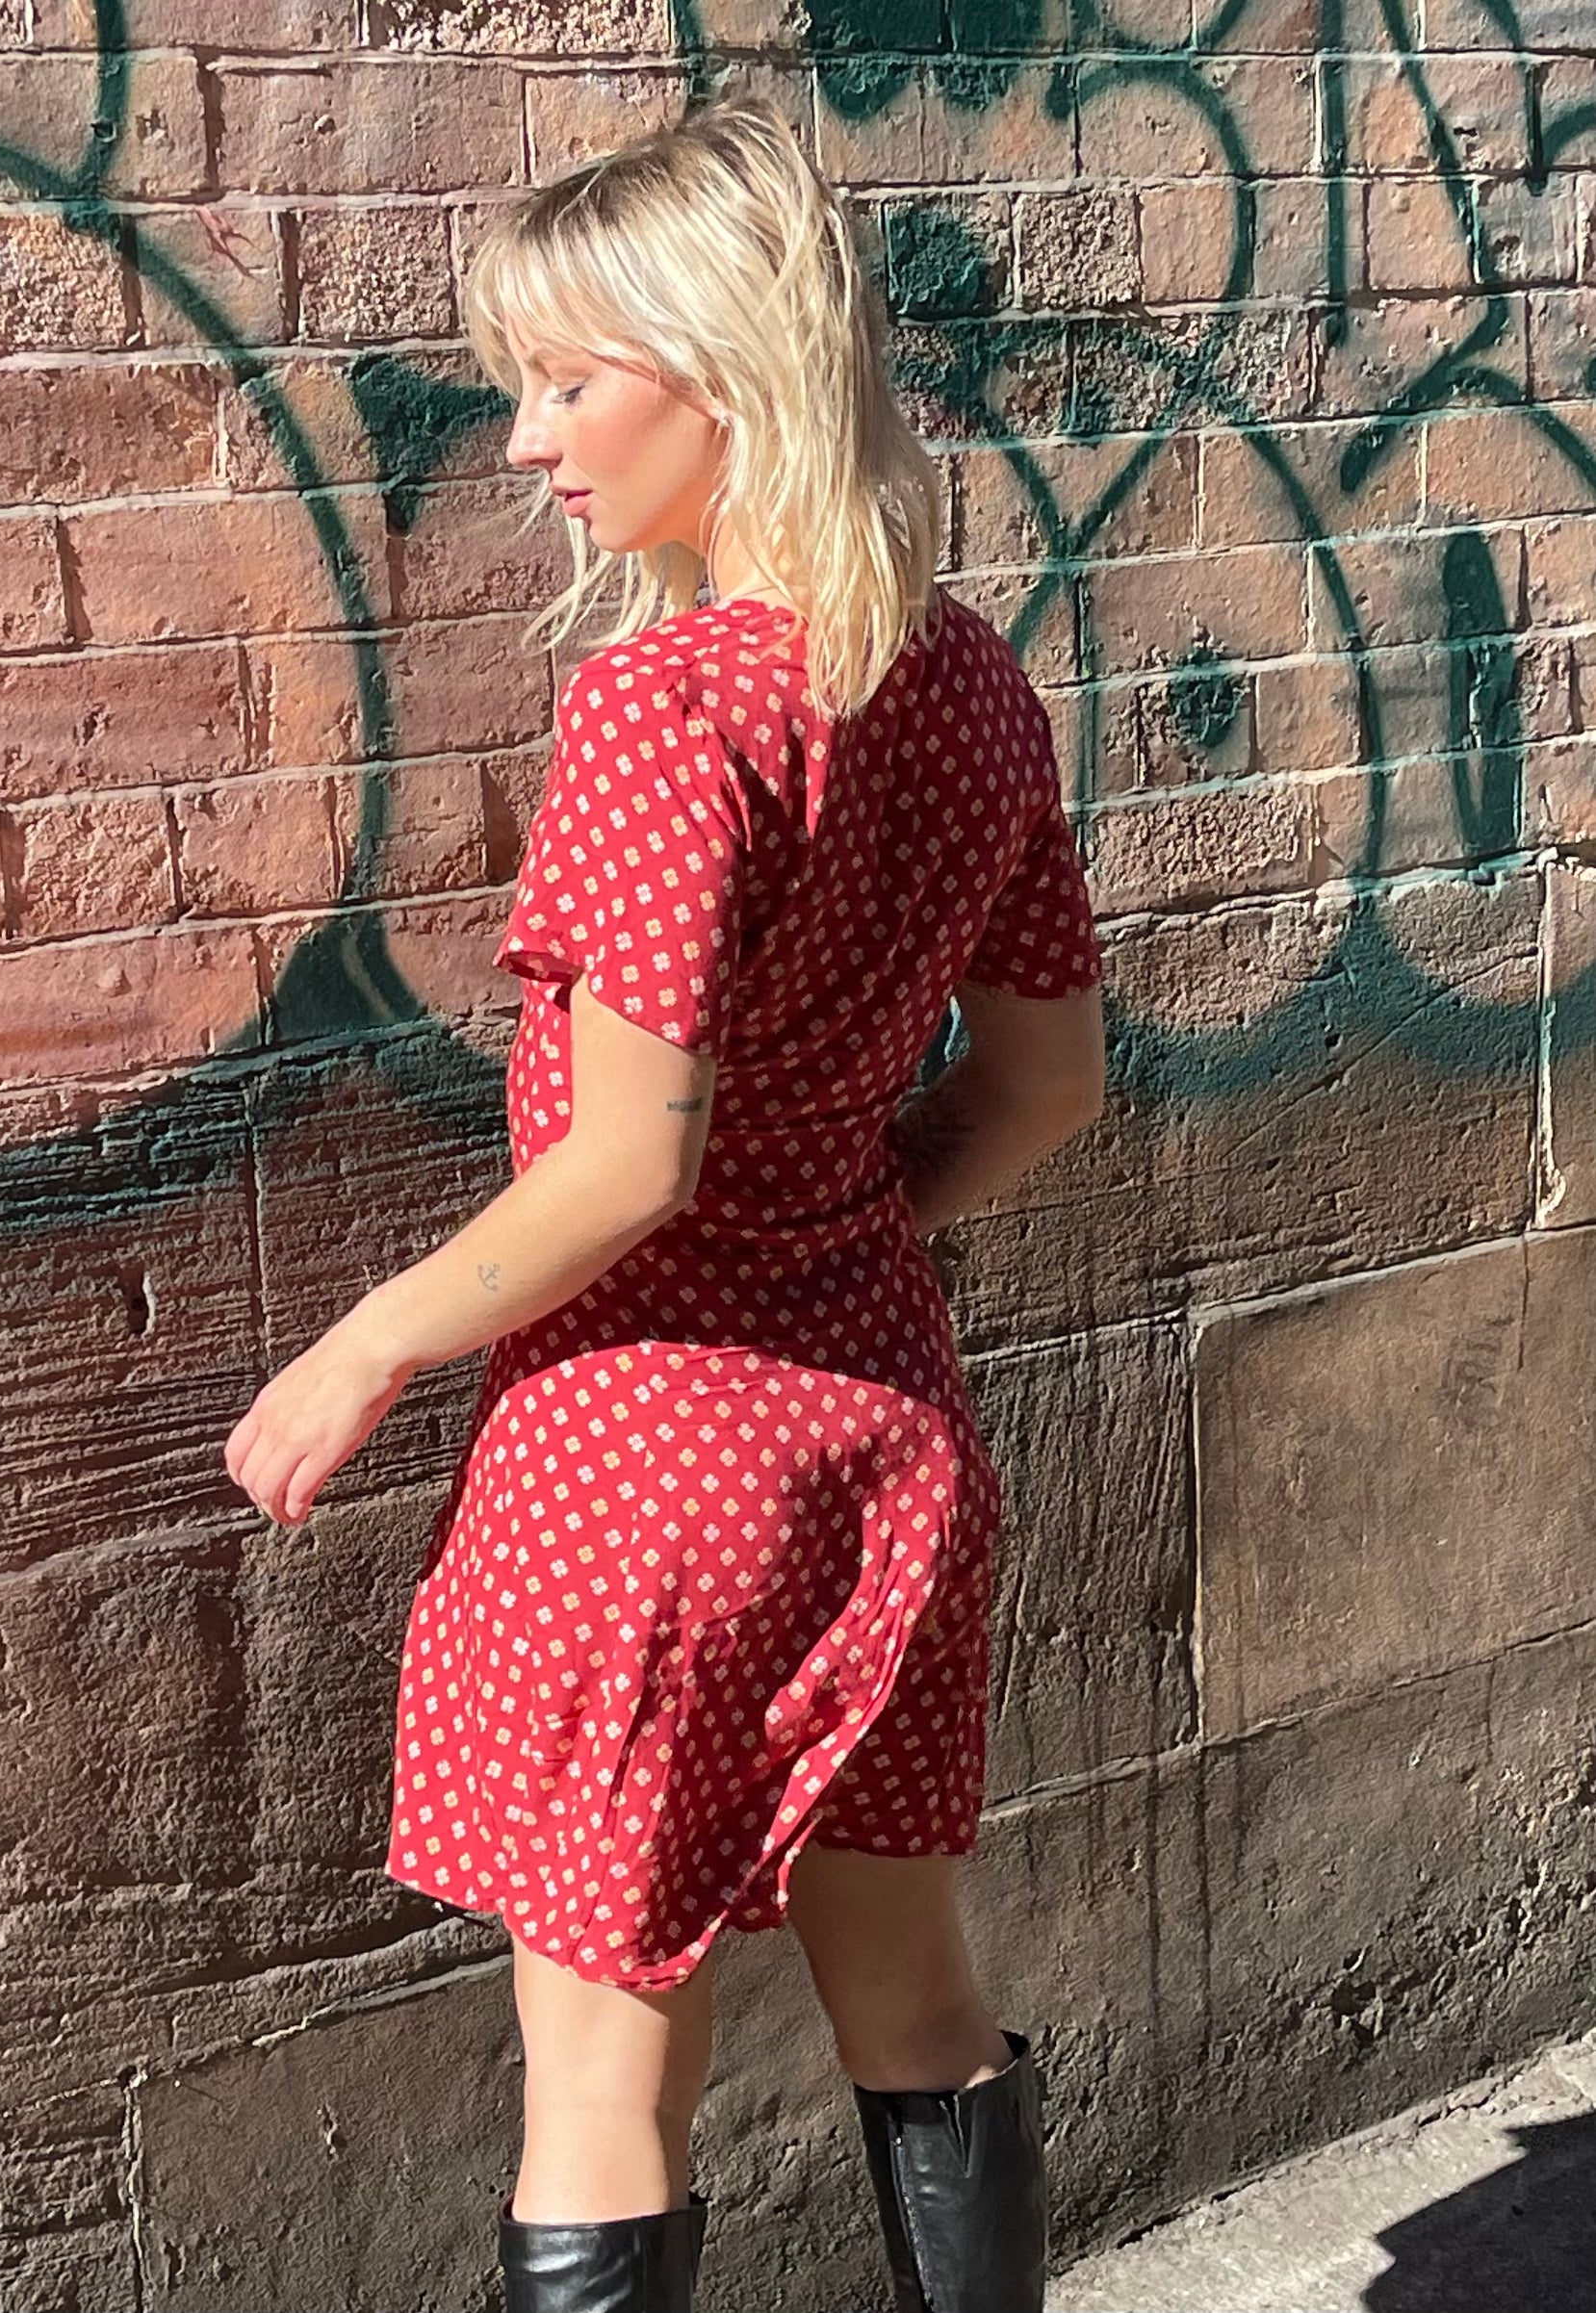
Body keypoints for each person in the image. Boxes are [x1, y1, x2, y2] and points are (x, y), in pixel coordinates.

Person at [224, 88, 1104, 2313]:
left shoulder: (667, 704)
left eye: (568, 381)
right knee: (916, 1995)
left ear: (728, 370)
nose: (528, 441)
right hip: (886, 1433)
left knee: (603, 2081)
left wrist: (365, 1339)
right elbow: (1050, 1087)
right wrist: (837, 1211)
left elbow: (629, 1159)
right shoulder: (973, 681)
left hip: (645, 1461)